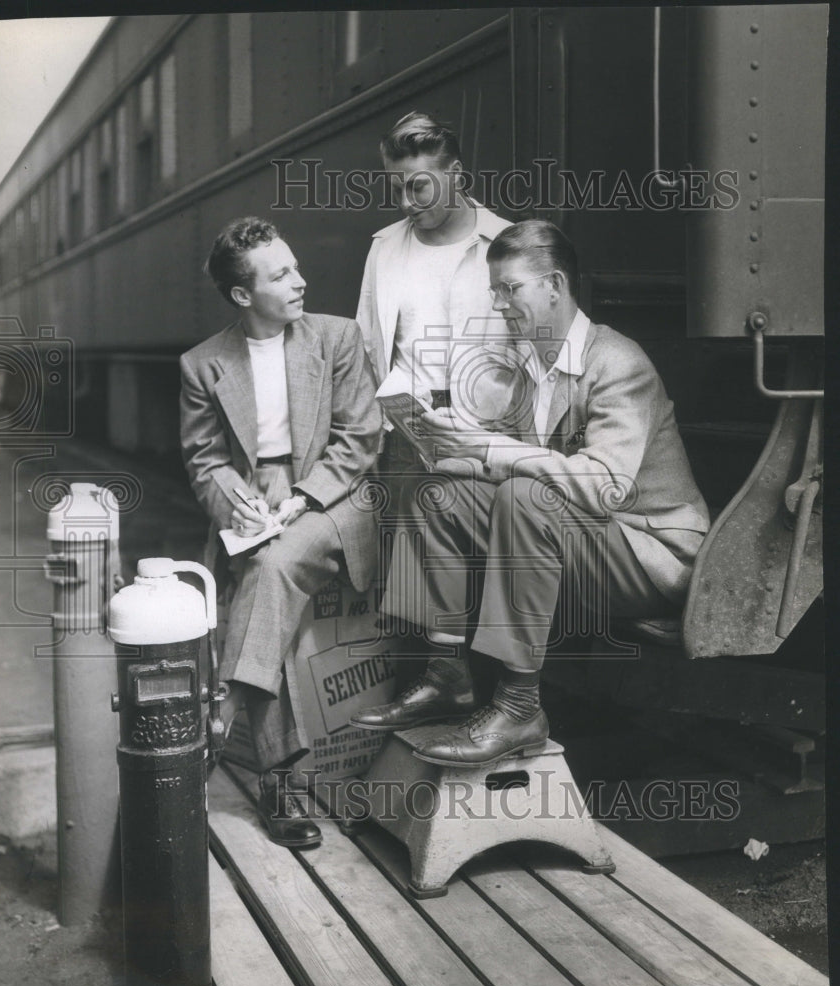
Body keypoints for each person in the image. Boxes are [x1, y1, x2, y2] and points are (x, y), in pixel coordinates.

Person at [351, 219, 710, 765]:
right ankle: (447, 672)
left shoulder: (617, 362)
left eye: (509, 289)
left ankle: (520, 707)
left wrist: (491, 450)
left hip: (650, 555)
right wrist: (454, 453)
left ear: (555, 286)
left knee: (525, 499)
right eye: (494, 290)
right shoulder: (532, 368)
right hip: (588, 542)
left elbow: (603, 484)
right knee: (441, 492)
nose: (498, 304)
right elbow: (523, 470)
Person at [180, 217, 381, 845]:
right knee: (265, 583)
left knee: (266, 572)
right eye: (281, 274)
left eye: (294, 266)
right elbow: (204, 461)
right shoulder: (203, 363)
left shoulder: (337, 338)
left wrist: (299, 497)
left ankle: (219, 709)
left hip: (335, 499)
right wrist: (236, 504)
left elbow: (359, 439)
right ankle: (279, 783)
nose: (301, 281)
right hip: (258, 507)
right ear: (244, 296)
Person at [356, 111, 511, 478]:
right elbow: (365, 347)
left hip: (490, 436)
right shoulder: (384, 248)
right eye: (396, 189)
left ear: (456, 174)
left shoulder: (508, 243)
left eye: (418, 186)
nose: (406, 203)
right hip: (405, 439)